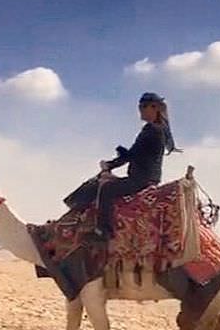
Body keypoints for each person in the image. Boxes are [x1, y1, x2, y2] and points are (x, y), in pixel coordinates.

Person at [63, 92, 180, 237]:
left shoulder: (152, 130)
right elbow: (134, 155)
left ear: (154, 108)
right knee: (104, 182)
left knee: (106, 188)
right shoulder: (158, 130)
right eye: (140, 106)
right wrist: (112, 164)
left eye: (144, 106)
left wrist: (109, 165)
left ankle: (103, 231)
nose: (141, 110)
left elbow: (131, 155)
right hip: (147, 178)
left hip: (140, 180)